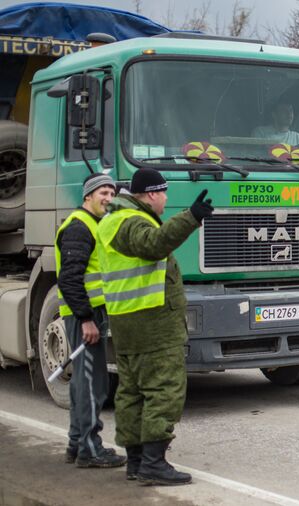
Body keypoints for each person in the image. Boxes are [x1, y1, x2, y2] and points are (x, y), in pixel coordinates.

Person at [97, 169, 213, 485]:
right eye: (164, 195)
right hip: (151, 322)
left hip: (129, 320)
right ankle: (153, 463)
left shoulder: (114, 218)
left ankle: (136, 462)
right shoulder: (131, 221)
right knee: (164, 388)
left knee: (132, 391)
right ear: (151, 194)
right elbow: (154, 244)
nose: (165, 201)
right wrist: (191, 217)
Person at [56, 173, 126, 469]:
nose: (108, 198)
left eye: (112, 193)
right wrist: (86, 320)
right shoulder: (79, 227)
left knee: (85, 383)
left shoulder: (94, 224)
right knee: (91, 384)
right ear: (88, 196)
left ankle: (77, 443)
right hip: (84, 315)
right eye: (103, 193)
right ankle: (89, 449)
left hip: (90, 313)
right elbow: (69, 279)